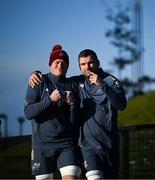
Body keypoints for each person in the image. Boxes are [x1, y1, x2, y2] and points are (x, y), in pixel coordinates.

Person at [29, 48, 127, 179]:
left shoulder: (110, 81)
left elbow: (121, 105)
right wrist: (35, 73)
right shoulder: (77, 82)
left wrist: (101, 84)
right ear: (79, 67)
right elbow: (59, 79)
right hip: (86, 146)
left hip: (108, 145)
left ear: (98, 62)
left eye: (91, 63)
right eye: (83, 64)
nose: (88, 67)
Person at [24, 44, 81, 180]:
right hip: (42, 145)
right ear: (50, 64)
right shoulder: (38, 81)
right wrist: (50, 100)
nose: (60, 65)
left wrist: (73, 104)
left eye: (64, 62)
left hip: (67, 144)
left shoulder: (72, 85)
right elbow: (28, 113)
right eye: (57, 62)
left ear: (67, 65)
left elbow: (75, 122)